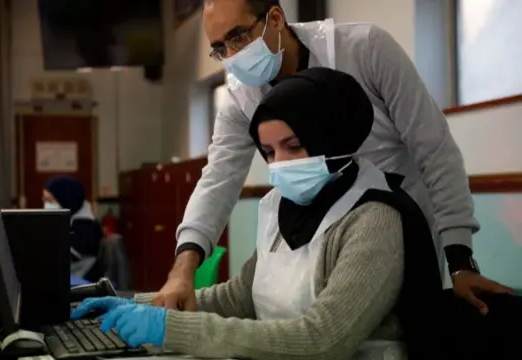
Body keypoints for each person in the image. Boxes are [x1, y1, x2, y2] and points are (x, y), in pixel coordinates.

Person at [155, 0, 512, 313]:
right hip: (321, 240)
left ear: (276, 18)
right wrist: (182, 270)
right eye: (220, 48)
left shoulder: (364, 49)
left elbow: (435, 151)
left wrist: (460, 261)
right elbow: (217, 180)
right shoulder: (241, 99)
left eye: (239, 37)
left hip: (400, 231)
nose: (232, 57)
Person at [71, 68, 447, 360]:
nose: (279, 165)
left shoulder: (374, 219)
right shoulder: (285, 208)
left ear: (334, 137)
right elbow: (242, 296)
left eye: (294, 146)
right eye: (268, 152)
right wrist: (138, 303)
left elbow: (322, 340)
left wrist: (173, 329)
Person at [43, 175, 103, 281]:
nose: (46, 204)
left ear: (65, 199)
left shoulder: (87, 226)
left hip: (83, 279)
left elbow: (67, 255)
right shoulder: (67, 219)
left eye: (51, 200)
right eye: (45, 199)